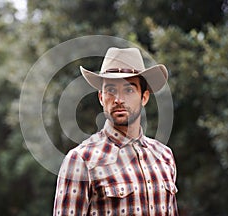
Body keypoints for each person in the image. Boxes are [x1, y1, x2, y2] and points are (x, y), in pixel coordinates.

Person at [53, 47, 178, 215]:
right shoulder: (82, 160)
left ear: (144, 97)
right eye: (111, 90)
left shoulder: (164, 157)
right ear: (101, 97)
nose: (119, 99)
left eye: (129, 90)